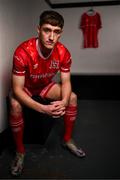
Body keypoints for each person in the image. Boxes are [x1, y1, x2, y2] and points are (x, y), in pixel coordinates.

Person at [9, 10, 85, 176]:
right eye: (47, 30)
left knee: (72, 97)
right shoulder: (23, 52)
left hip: (44, 85)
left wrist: (64, 102)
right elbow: (16, 89)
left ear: (61, 33)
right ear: (38, 29)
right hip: (25, 88)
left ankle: (67, 140)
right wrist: (44, 109)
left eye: (56, 32)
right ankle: (20, 152)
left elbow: (65, 82)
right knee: (14, 104)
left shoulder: (63, 52)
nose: (51, 36)